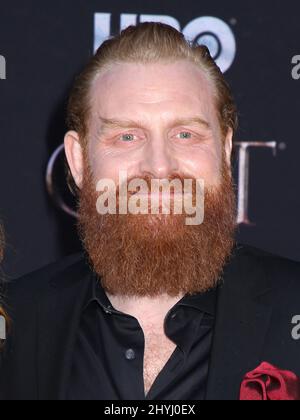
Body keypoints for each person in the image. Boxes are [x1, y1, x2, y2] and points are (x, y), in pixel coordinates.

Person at [1, 22, 300, 401]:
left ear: (225, 151)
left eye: (185, 134)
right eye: (127, 136)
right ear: (78, 160)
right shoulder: (13, 326)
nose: (159, 167)